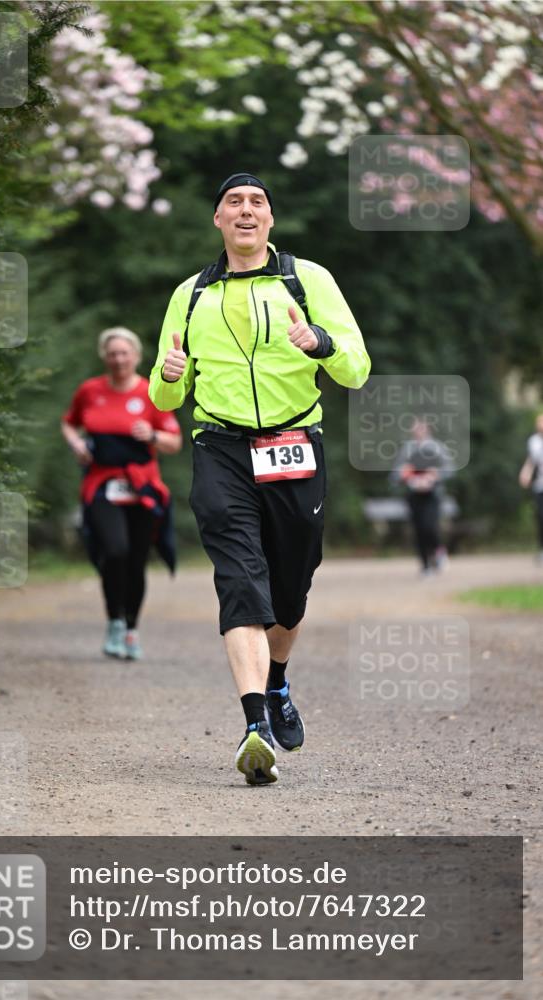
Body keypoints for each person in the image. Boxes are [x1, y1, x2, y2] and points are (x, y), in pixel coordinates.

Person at [149, 172, 370, 786]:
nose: (245, 211)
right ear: (218, 220)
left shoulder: (308, 279)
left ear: (270, 220)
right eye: (233, 203)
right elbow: (164, 397)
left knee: (290, 590)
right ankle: (256, 727)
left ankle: (277, 683)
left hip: (294, 444)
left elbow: (356, 370)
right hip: (220, 447)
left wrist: (319, 342)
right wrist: (169, 374)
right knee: (240, 579)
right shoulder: (191, 294)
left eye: (257, 203)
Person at [62, 327, 182, 660]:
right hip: (102, 483)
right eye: (112, 353)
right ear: (104, 356)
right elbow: (69, 422)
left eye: (124, 353)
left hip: (142, 486)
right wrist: (76, 443)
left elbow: (174, 442)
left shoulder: (151, 392)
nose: (118, 359)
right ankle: (114, 620)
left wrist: (153, 435)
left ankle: (131, 628)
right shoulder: (90, 390)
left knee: (136, 560)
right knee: (115, 551)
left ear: (136, 356)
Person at [391, 418, 454, 576]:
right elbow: (395, 474)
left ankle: (438, 552)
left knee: (430, 527)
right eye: (415, 428)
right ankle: (425, 566)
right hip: (413, 496)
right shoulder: (407, 449)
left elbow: (449, 469)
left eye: (421, 427)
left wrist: (434, 476)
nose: (418, 431)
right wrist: (406, 476)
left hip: (432, 495)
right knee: (418, 531)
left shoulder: (438, 448)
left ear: (427, 429)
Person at [518, 412, 543, 564]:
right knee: (540, 517)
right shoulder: (533, 441)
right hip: (540, 485)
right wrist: (525, 472)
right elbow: (532, 460)